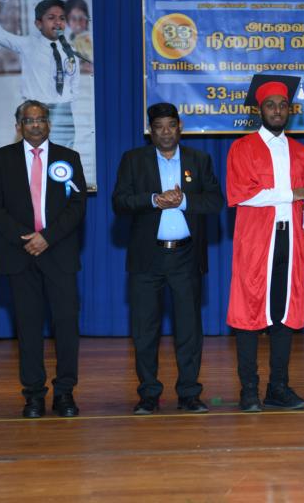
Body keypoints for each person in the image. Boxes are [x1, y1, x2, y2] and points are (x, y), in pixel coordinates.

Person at [112, 103, 224, 415]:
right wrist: (153, 200)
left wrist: (184, 200)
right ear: (150, 130)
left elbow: (215, 201)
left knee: (189, 330)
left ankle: (189, 393)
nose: (165, 132)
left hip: (185, 256)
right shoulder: (133, 160)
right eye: (158, 127)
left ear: (180, 127)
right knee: (145, 330)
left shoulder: (199, 160)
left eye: (171, 125)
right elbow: (119, 202)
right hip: (147, 257)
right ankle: (149, 394)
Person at [0, 101, 87, 418]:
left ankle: (65, 393)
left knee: (66, 326)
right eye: (29, 120)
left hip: (59, 254)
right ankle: (34, 396)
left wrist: (47, 237)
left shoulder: (69, 158)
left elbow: (78, 206)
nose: (36, 125)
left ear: (49, 123)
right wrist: (26, 238)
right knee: (28, 329)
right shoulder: (1, 158)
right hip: (20, 255)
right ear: (19, 126)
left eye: (41, 119)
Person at [226, 75, 304, 412]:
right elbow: (241, 194)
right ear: (259, 110)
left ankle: (278, 387)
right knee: (249, 313)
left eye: (283, 105)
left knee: (284, 314)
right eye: (270, 105)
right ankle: (249, 389)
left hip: (291, 240)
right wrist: (289, 193)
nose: (278, 110)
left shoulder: (301, 152)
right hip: (256, 242)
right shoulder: (242, 148)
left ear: (289, 110)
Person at [0, 0, 80, 148]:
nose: (58, 22)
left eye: (62, 18)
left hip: (64, 112)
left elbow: (74, 82)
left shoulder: (70, 49)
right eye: (51, 18)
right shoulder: (28, 44)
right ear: (38, 23)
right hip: (35, 110)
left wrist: (69, 106)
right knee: (33, 155)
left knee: (63, 157)